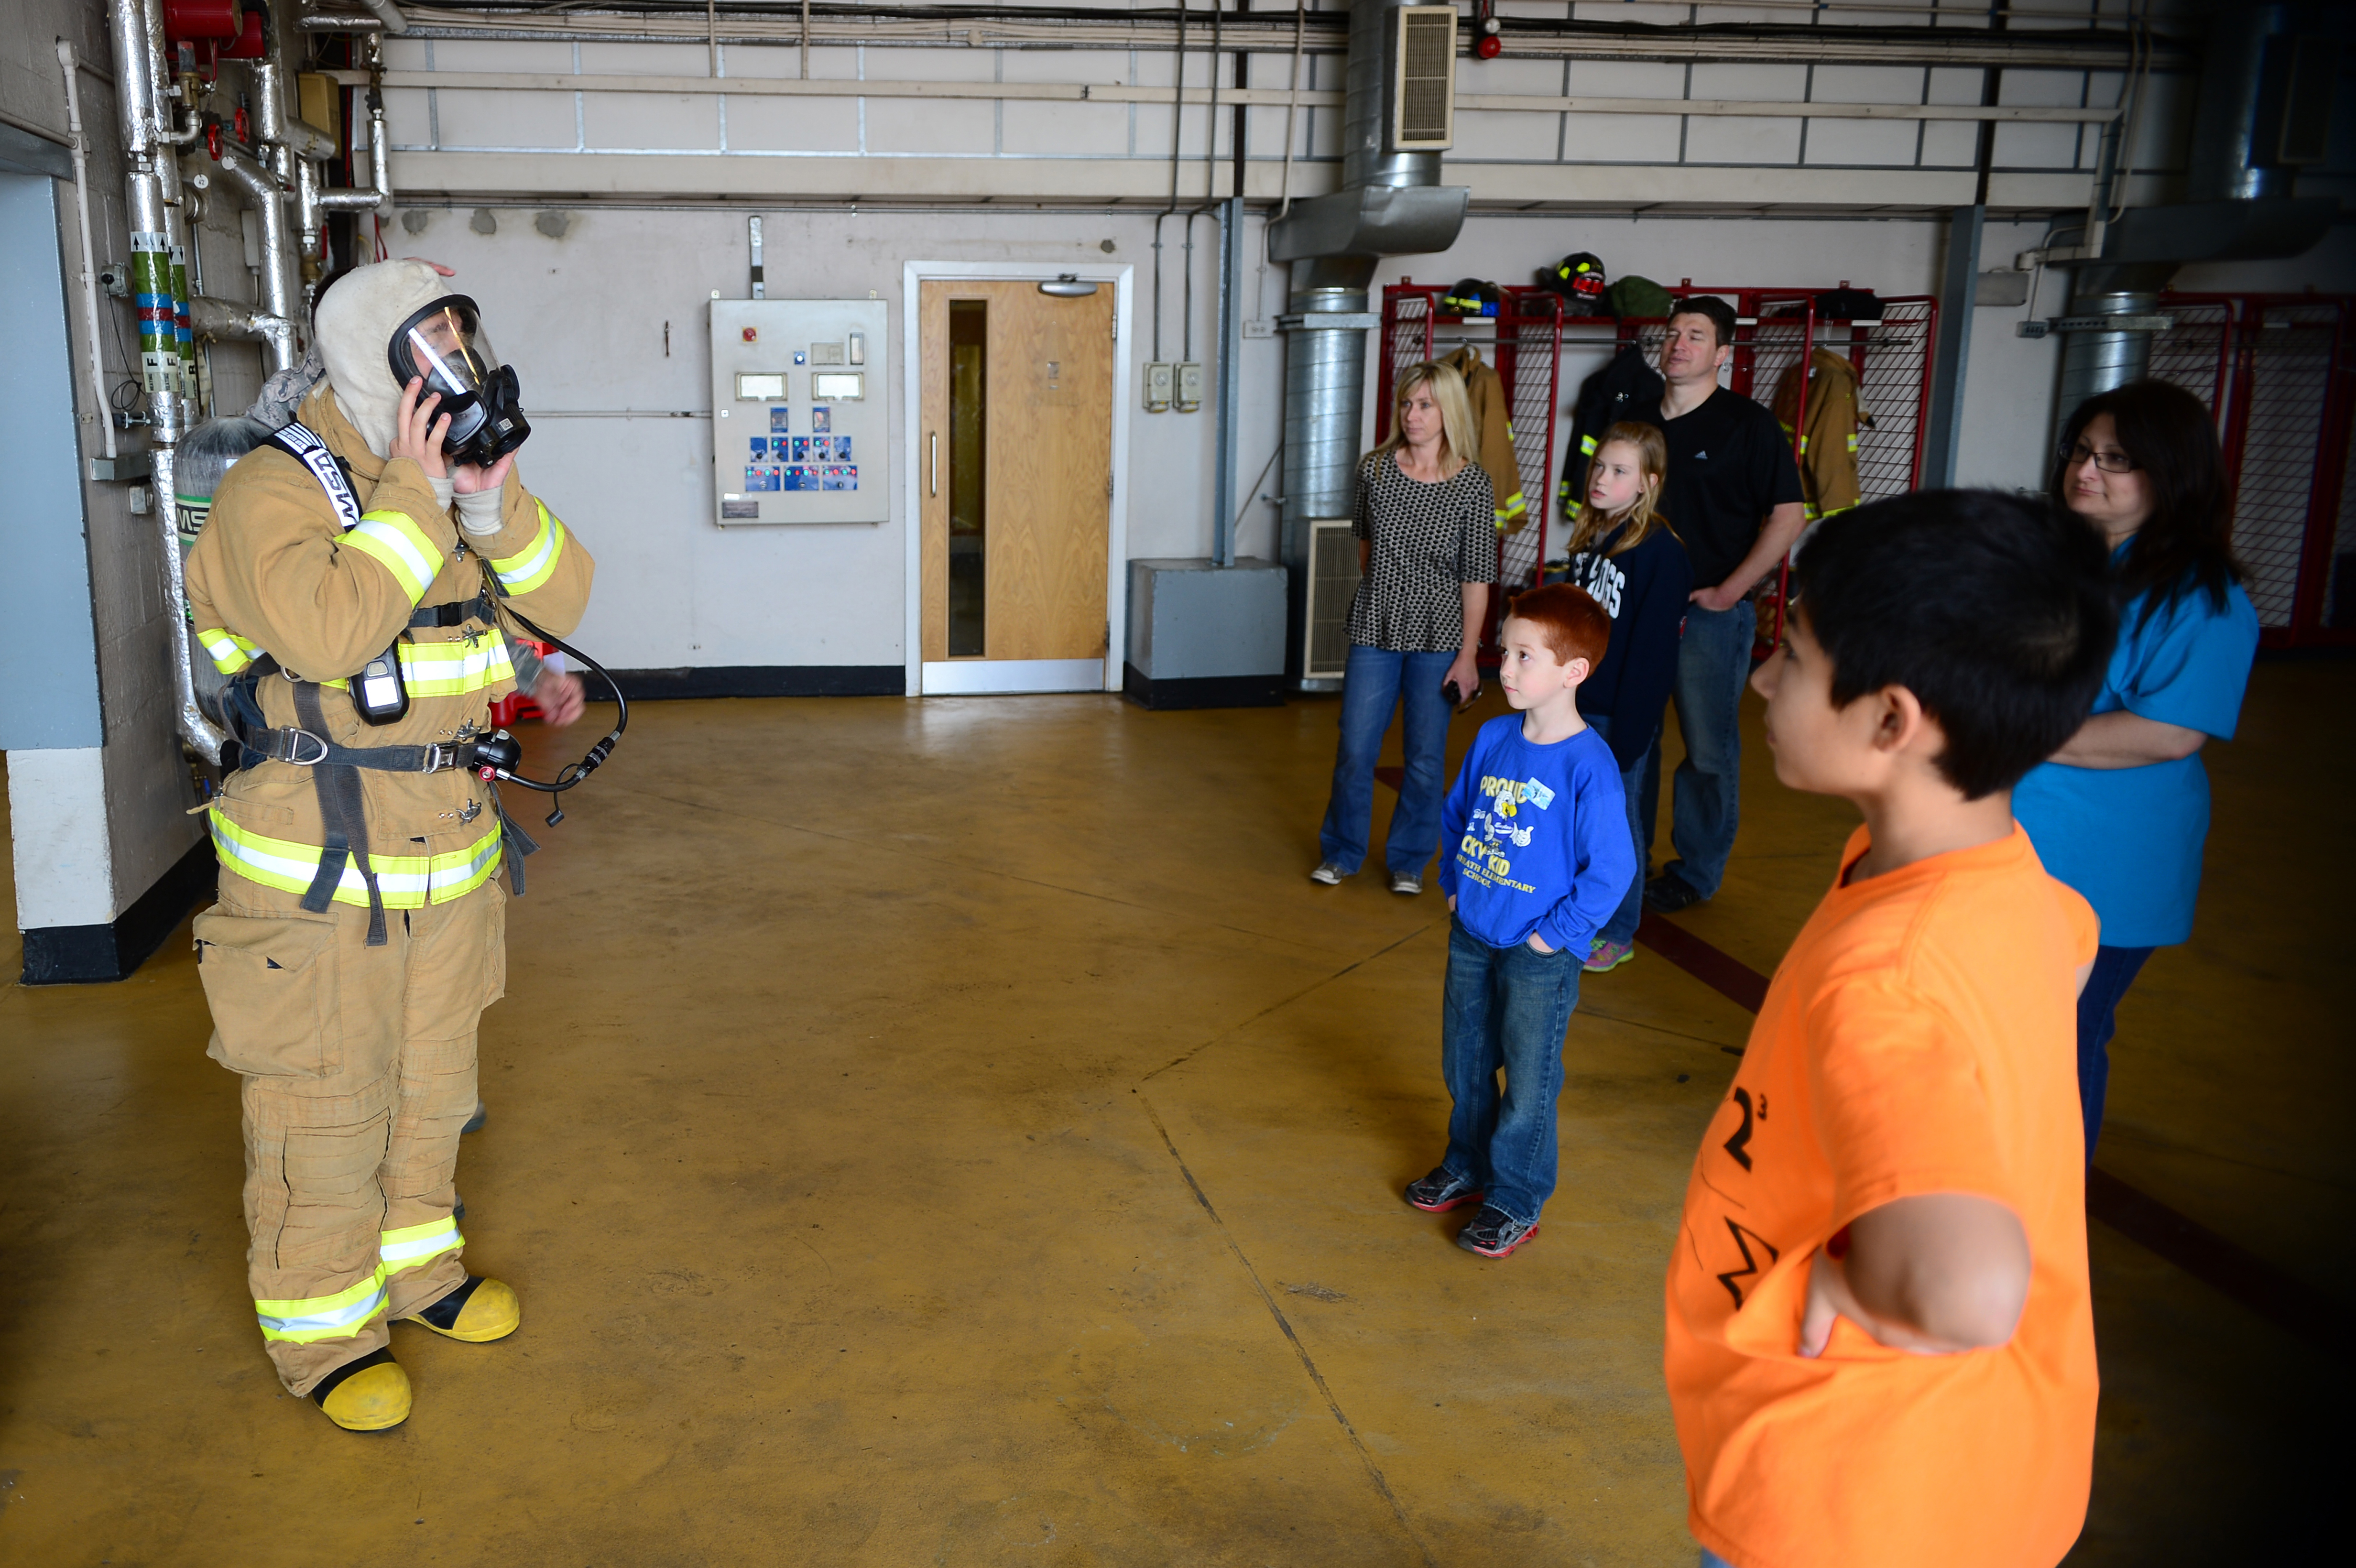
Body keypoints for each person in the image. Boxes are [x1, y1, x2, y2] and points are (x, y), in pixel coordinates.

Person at [1665, 490, 2117, 1568]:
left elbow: (1967, 1288)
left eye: (1797, 654)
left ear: (1890, 720)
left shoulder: (1889, 977)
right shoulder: (2004, 891)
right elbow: (2074, 939)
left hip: (1850, 1493)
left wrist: (1861, 1276)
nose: (1765, 676)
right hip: (1987, 1471)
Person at [185, 258, 595, 1433]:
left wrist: (492, 502)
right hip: (319, 873)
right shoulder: (276, 491)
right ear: (380, 364)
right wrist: (422, 498)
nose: (458, 375)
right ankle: (319, 1328)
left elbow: (557, 601)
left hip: (452, 861)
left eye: (466, 344)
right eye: (437, 351)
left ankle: (418, 1272)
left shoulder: (446, 490)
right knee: (328, 1102)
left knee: (432, 1089)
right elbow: (328, 631)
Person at [2012, 381, 2260, 1161]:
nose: (2088, 472)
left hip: (2103, 860)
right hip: (2014, 841)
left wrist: (2014, 730)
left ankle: (2043, 1228)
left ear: (2169, 473)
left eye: (2116, 460)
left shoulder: (2200, 599)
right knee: (1999, 1031)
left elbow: (2167, 732)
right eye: (2082, 453)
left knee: (2060, 1037)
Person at [1405, 585, 1636, 1259]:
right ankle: (1467, 1165)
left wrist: (1551, 936)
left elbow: (1611, 872)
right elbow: (1457, 815)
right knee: (1466, 1059)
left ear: (1572, 673)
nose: (1504, 669)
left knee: (1530, 1081)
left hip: (1540, 952)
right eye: (1504, 652)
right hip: (1472, 932)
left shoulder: (1589, 765)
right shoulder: (1493, 736)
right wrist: (1452, 887)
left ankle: (1516, 1197)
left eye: (1523, 656)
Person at [1630, 296, 1807, 915]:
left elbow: (1789, 515)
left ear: (1722, 354)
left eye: (1696, 336)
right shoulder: (1636, 420)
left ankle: (1695, 874)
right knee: (1632, 743)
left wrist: (1732, 591)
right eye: (1673, 333)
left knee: (1707, 751)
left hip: (1710, 615)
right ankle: (1626, 868)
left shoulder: (1747, 425)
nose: (1679, 344)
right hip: (1637, 613)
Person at [1313, 360, 1497, 896]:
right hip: (1375, 624)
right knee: (1355, 748)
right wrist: (1387, 594)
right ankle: (1341, 852)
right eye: (1405, 404)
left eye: (1424, 405)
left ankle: (1408, 861)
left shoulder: (1472, 483)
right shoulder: (1374, 470)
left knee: (1424, 757)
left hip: (1441, 635)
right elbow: (1366, 547)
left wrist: (1468, 654)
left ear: (1448, 412)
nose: (1411, 415)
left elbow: (1476, 576)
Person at [1560, 422, 1693, 971]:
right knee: (1577, 820)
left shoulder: (1660, 552)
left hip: (1619, 716)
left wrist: (1633, 733)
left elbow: (1652, 655)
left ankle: (1618, 928)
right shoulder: (1593, 538)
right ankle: (1579, 914)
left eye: (1619, 471)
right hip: (1578, 706)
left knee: (1617, 826)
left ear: (1647, 483)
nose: (1601, 478)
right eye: (1599, 466)